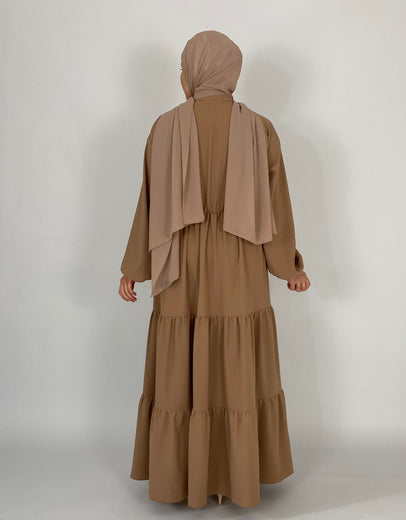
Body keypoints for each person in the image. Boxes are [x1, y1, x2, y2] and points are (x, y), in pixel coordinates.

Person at [118, 30, 310, 509]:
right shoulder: (259, 128)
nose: (181, 76)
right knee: (236, 365)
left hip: (178, 265)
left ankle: (183, 478)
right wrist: (288, 266)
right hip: (241, 261)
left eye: (183, 68)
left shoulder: (164, 127)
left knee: (182, 364)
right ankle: (235, 475)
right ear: (230, 72)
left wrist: (135, 268)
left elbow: (149, 204)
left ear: (196, 71)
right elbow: (277, 208)